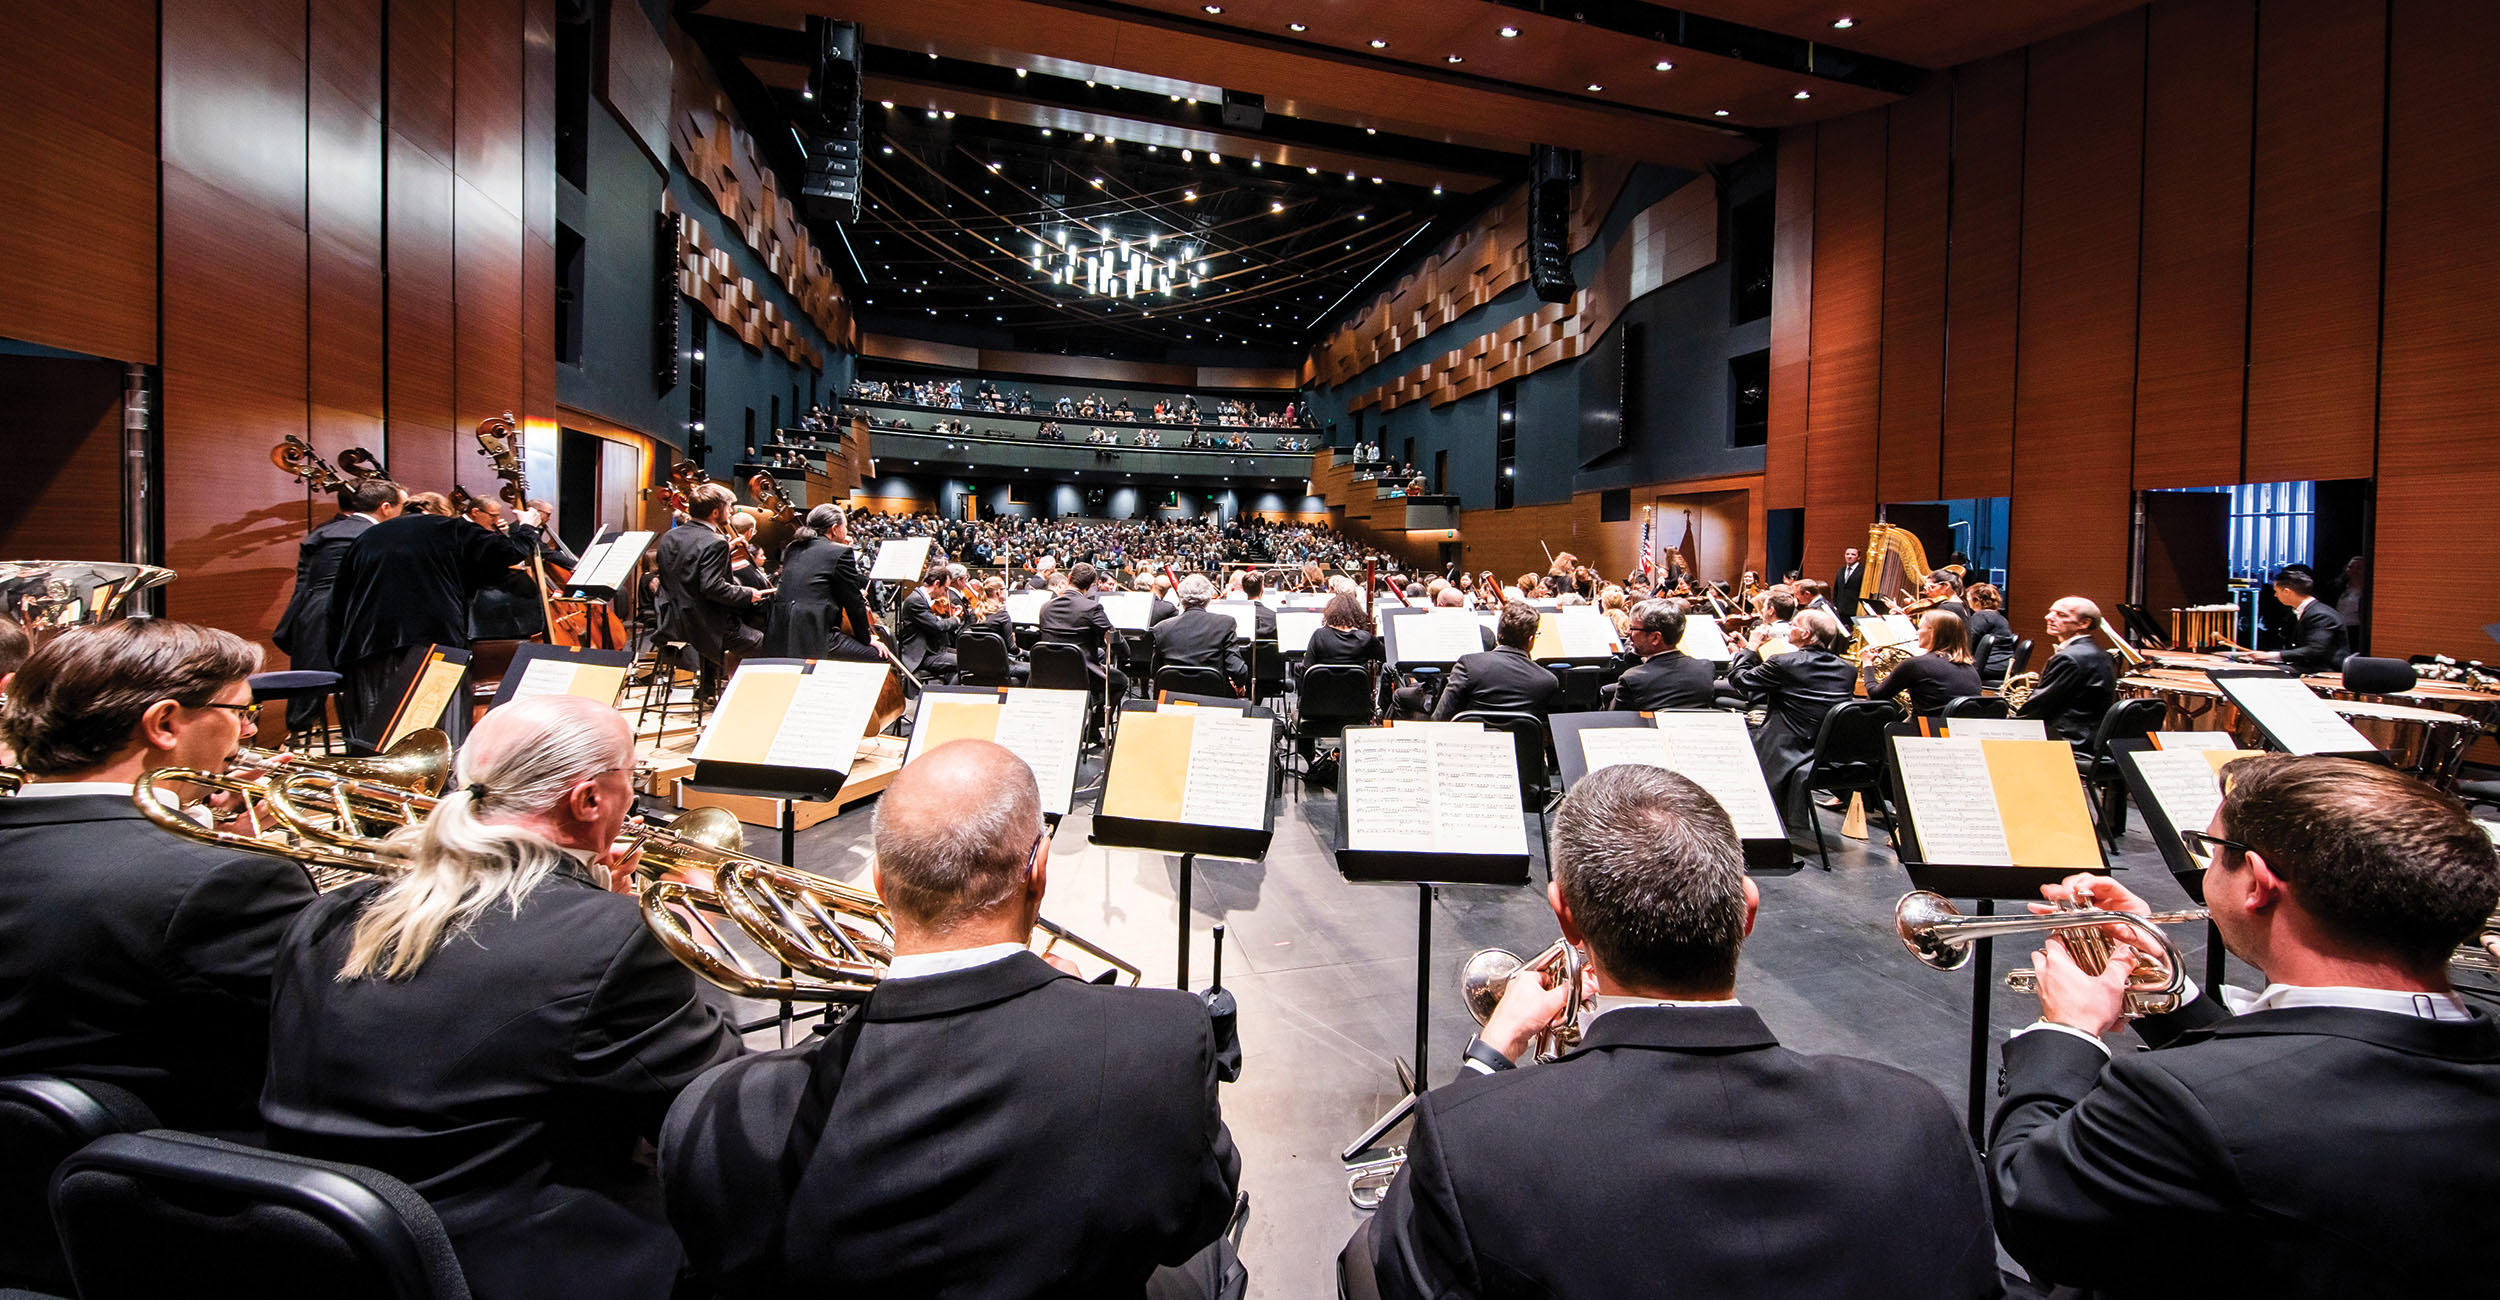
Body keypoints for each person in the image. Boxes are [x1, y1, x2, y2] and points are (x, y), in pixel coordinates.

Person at [1345, 764, 2001, 1300]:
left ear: (1566, 919)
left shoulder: (1477, 1141)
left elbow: (1382, 1267)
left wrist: (1489, 1059)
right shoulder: (1916, 1119)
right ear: (1746, 912)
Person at [661, 740, 1244, 1298]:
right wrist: (1082, 1005)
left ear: (882, 884)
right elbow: (1197, 1221)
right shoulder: (1160, 1042)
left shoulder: (719, 1123)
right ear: (1038, 871)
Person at [261, 695, 742, 1300]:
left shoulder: (333, 910)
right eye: (633, 781)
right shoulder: (615, 940)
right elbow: (711, 1110)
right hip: (509, 1263)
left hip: (324, 1249)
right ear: (589, 799)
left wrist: (593, 906)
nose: (634, 799)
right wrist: (689, 935)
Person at [1989, 754, 2500, 1298]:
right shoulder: (2471, 1048)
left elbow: (2032, 1207)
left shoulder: (2182, 1099)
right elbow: (2295, 1070)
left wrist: (2067, 1031)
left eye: (2212, 850)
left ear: (2257, 882)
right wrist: (2170, 992)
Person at [0, 620, 317, 1131]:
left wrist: (203, 829)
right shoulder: (231, 881)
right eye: (241, 712)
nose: (249, 731)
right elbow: (326, 1031)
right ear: (165, 723)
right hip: (171, 1175)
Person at [327, 487, 538, 740]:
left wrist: (338, 658)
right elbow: (509, 552)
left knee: (375, 737)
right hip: (432, 644)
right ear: (445, 512)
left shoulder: (368, 536)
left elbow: (337, 603)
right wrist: (527, 527)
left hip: (367, 648)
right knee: (436, 736)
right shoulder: (450, 528)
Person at [272, 476, 404, 735]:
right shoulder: (376, 533)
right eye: (401, 508)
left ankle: (301, 739)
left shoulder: (324, 532)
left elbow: (305, 581)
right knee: (369, 679)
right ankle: (364, 741)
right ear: (386, 508)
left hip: (312, 611)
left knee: (309, 687)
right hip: (347, 614)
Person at [1727, 608, 1857, 832]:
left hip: (1785, 747)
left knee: (1736, 739)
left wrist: (1750, 648)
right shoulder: (1848, 669)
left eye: (1794, 624)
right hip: (1827, 752)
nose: (1788, 628)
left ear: (1806, 634)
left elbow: (1739, 680)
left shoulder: (1784, 663)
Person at [655, 483, 773, 702]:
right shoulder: (715, 542)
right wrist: (748, 593)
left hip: (672, 622)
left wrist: (725, 549)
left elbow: (688, 568)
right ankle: (747, 702)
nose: (731, 512)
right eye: (729, 507)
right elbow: (712, 588)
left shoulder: (671, 537)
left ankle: (707, 691)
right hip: (707, 627)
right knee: (771, 645)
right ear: (715, 512)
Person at [760, 505, 883, 661]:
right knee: (877, 655)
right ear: (834, 529)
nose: (846, 530)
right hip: (814, 636)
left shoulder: (793, 548)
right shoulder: (840, 552)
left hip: (779, 633)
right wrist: (867, 638)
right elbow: (853, 602)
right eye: (844, 526)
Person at [1433, 602, 1561, 721]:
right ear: (1530, 639)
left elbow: (1441, 717)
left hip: (1472, 742)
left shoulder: (1468, 664)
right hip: (1521, 744)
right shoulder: (1548, 681)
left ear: (1499, 631)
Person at [2016, 596, 2115, 745]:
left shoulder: (2070, 658)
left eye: (2061, 615)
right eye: (2051, 612)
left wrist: (2007, 724)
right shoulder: (2100, 653)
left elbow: (2039, 708)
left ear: (2084, 623)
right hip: (2089, 738)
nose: (2048, 617)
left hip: (2066, 739)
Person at [1608, 599, 1720, 712]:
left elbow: (1614, 720)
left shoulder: (1632, 679)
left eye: (1632, 628)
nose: (1628, 632)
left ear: (1655, 638)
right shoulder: (1705, 668)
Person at [1037, 561, 1126, 697]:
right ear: (1091, 585)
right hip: (1080, 672)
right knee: (1121, 681)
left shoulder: (1045, 607)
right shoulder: (1092, 608)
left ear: (1069, 577)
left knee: (1100, 654)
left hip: (1049, 670)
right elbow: (1114, 639)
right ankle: (1097, 718)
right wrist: (1125, 652)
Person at [1873, 609, 1985, 714]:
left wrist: (1868, 664)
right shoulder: (1970, 668)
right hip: (1958, 731)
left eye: (1920, 628)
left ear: (1932, 631)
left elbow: (1876, 695)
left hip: (1927, 729)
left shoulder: (1915, 665)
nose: (1917, 633)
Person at [2249, 565, 2351, 673]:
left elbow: (2314, 650)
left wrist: (2268, 655)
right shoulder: (2308, 611)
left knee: (2263, 671)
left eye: (2276, 591)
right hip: (2309, 665)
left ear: (2287, 592)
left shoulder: (2321, 615)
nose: (2275, 595)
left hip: (2325, 669)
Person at [1150, 574, 1240, 691]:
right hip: (1213, 700)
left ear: (1181, 598)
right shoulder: (1226, 623)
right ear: (1208, 598)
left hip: (1173, 700)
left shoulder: (1161, 628)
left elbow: (1154, 672)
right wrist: (1239, 683)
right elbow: (1237, 670)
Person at [898, 563, 962, 680]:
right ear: (937, 584)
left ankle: (947, 687)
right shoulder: (915, 601)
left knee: (967, 655)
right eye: (945, 589)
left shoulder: (921, 598)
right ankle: (947, 694)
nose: (944, 593)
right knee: (967, 662)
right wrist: (955, 619)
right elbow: (937, 626)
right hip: (921, 655)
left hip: (932, 649)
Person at [1964, 583, 2015, 684]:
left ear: (1977, 600)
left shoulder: (1981, 616)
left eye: (1968, 598)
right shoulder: (2000, 617)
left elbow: (1967, 642)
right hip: (2004, 664)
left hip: (1989, 665)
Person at [1832, 546, 1866, 617]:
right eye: (1847, 554)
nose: (1849, 556)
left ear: (1858, 557)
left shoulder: (1864, 571)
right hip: (1840, 611)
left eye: (1853, 554)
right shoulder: (1840, 571)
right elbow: (1836, 590)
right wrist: (1835, 605)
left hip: (1855, 611)